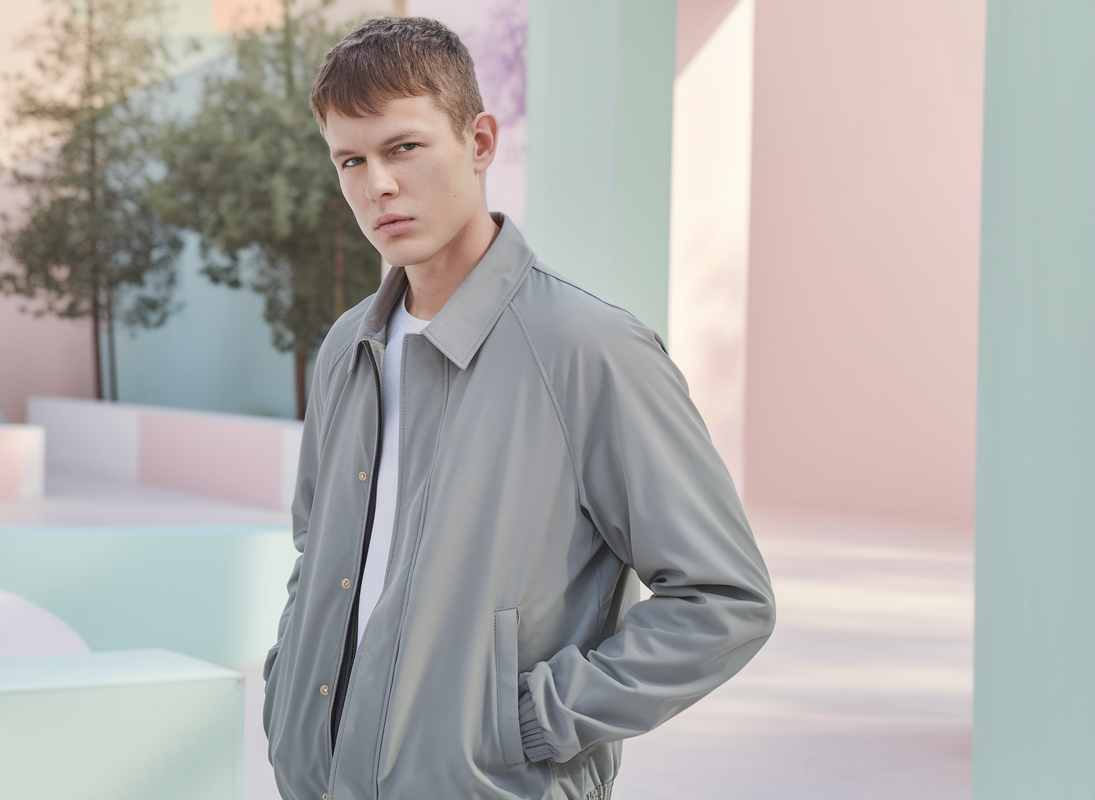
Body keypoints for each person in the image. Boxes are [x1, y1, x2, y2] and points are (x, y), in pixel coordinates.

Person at [262, 16, 775, 800]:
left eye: (404, 147)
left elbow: (724, 599)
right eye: (351, 160)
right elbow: (317, 558)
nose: (378, 186)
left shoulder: (589, 349)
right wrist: (287, 704)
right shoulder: (348, 349)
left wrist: (530, 723)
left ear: (479, 141)